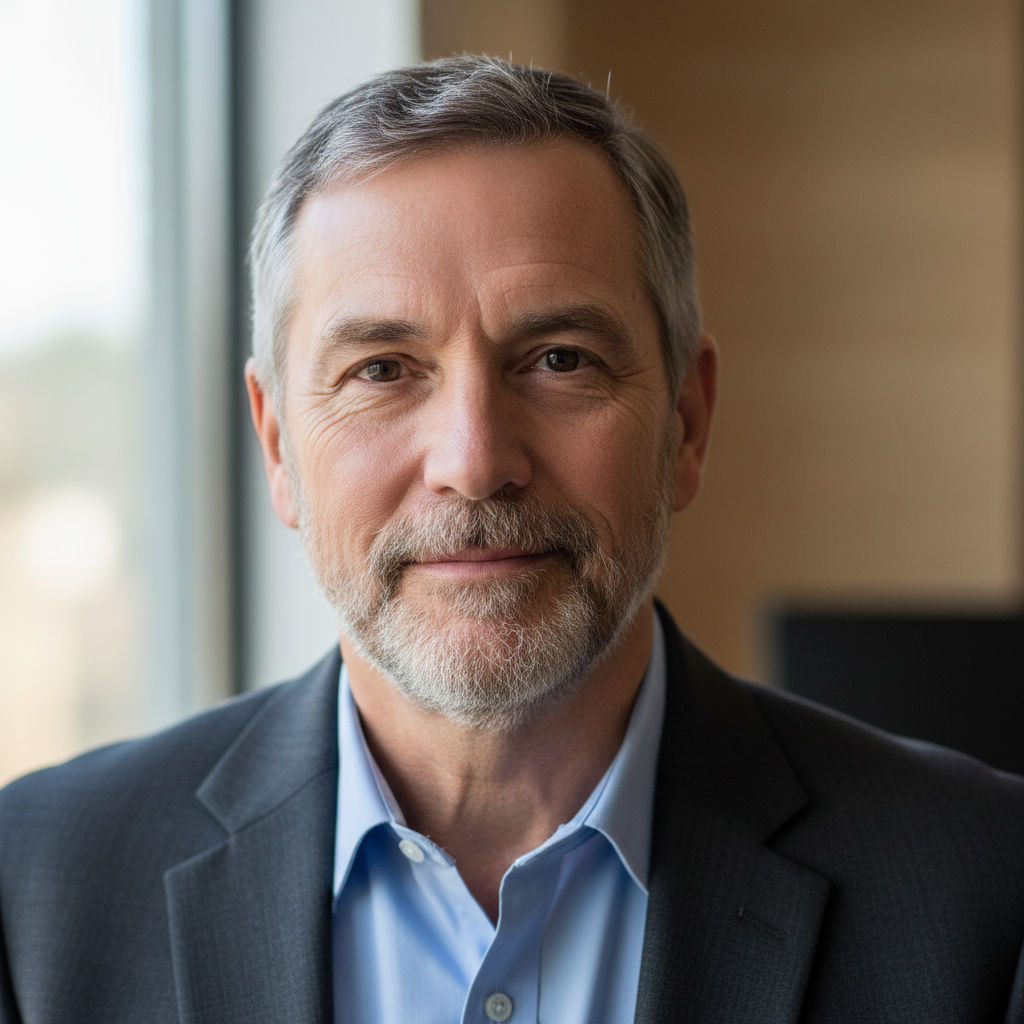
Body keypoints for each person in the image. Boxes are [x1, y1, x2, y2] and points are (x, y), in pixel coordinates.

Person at [1, 55, 1022, 1024]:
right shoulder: (33, 891)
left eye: (559, 358)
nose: (475, 458)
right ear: (277, 445)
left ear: (685, 422)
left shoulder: (986, 887)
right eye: (383, 369)